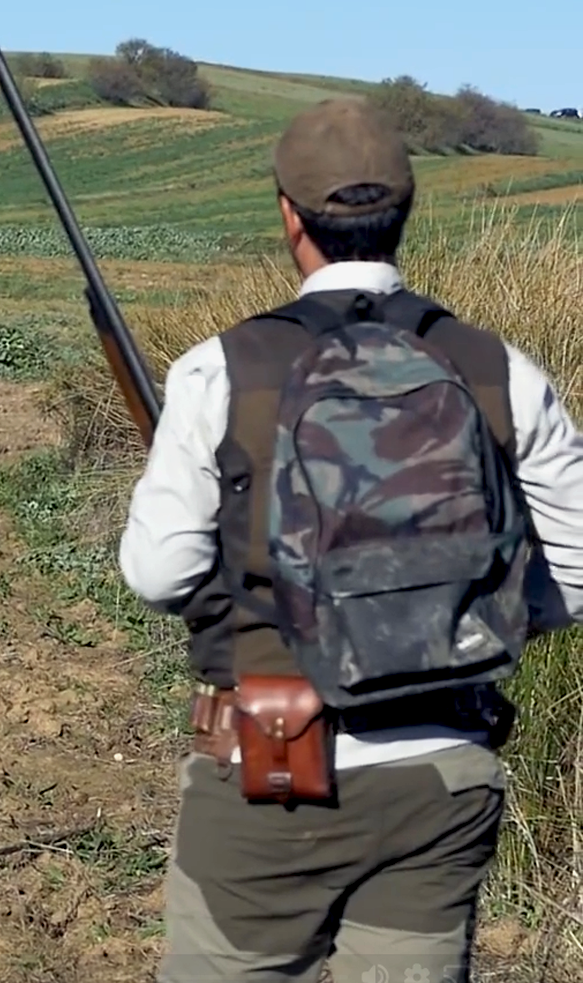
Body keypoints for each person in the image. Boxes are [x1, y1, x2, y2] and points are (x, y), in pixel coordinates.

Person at [117, 95, 583, 983]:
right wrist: (468, 619)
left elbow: (158, 570)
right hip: (445, 777)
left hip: (272, 777)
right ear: (405, 215)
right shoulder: (500, 368)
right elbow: (579, 571)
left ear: (290, 216)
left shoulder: (221, 368)